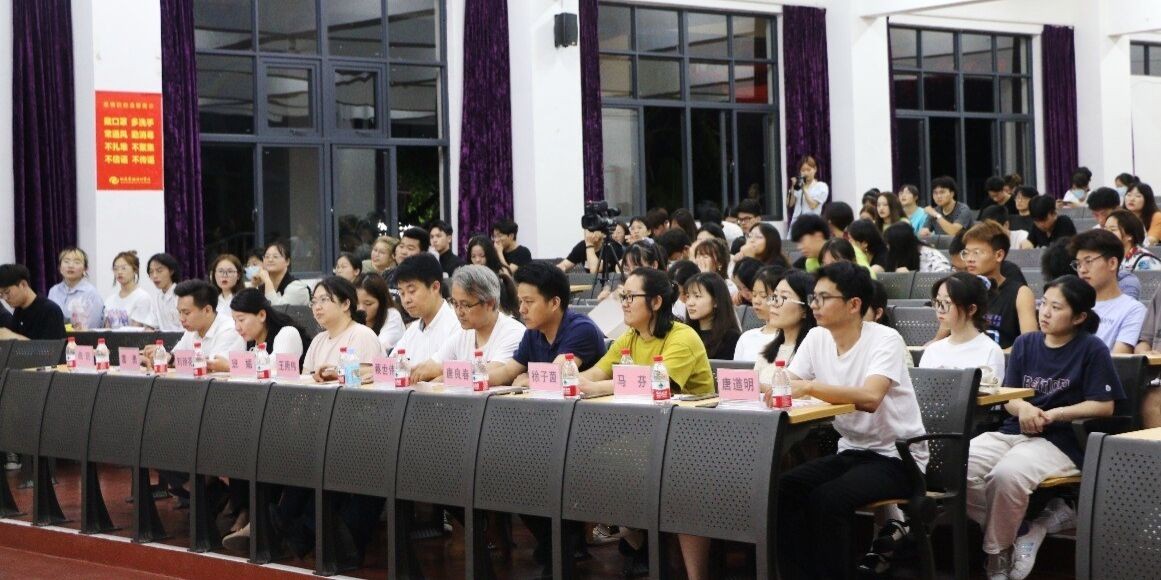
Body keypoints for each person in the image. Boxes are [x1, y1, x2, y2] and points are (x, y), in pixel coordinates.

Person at [774, 261, 927, 580]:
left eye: (824, 298)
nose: (814, 305)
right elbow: (786, 382)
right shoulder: (816, 337)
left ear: (854, 304)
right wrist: (757, 386)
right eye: (813, 297)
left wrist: (810, 387)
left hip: (898, 457)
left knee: (829, 498)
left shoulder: (885, 339)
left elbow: (870, 398)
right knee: (785, 488)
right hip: (852, 451)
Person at [966, 276, 1123, 580]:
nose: (1045, 313)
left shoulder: (1092, 348)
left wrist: (1054, 414)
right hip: (1014, 430)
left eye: (1056, 307)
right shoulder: (1026, 343)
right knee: (957, 464)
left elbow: (1104, 405)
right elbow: (1010, 396)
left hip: (1060, 439)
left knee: (1006, 475)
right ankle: (1024, 529)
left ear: (1079, 317)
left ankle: (996, 554)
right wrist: (1023, 408)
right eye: (1044, 304)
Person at [580, 267, 714, 392]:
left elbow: (656, 382)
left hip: (687, 410)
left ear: (656, 302)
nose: (624, 304)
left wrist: (595, 387)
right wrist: (573, 380)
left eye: (630, 297)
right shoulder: (629, 336)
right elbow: (596, 373)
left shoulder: (684, 338)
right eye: (623, 297)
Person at [488, 261, 608, 387]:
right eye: (520, 301)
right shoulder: (533, 332)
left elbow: (555, 376)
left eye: (529, 302)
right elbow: (507, 372)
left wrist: (527, 381)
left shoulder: (582, 329)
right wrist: (478, 379)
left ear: (554, 303)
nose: (522, 309)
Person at [408, 266, 527, 382]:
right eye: (455, 303)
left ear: (490, 303)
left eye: (465, 305)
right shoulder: (462, 334)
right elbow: (433, 365)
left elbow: (490, 373)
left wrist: (443, 376)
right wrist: (412, 372)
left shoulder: (513, 332)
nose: (459, 312)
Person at [961, 221, 1038, 348]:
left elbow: (1029, 344)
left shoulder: (1020, 293)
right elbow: (943, 338)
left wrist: (996, 355)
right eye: (966, 252)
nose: (969, 259)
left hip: (1003, 358)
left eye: (976, 252)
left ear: (999, 255)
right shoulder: (961, 289)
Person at [1068, 229, 1146, 353]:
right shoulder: (1071, 305)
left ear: (1112, 263)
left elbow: (1119, 359)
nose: (1082, 270)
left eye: (1088, 261)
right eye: (1078, 264)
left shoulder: (1133, 310)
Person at [144, 280, 246, 373]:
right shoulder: (192, 329)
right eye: (179, 312)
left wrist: (171, 359)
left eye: (186, 313)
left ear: (207, 310)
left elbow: (212, 366)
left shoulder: (229, 329)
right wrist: (161, 356)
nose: (181, 318)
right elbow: (175, 356)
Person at [919, 273, 1006, 380]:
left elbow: (990, 389)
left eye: (947, 302)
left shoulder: (991, 351)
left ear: (971, 309)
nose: (940, 309)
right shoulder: (932, 350)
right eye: (938, 301)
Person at [301, 276, 384, 381]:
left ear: (345, 304)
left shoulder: (361, 334)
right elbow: (305, 379)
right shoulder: (318, 340)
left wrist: (338, 372)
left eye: (324, 300)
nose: (317, 307)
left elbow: (371, 375)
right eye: (314, 302)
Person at [391, 254, 461, 364]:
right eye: (402, 293)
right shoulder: (412, 331)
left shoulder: (457, 327)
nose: (406, 300)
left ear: (435, 287)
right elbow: (390, 365)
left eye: (412, 291)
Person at [755, 270, 816, 385]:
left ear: (805, 309)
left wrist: (760, 387)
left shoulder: (812, 352)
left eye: (783, 297)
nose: (773, 303)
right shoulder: (767, 351)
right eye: (774, 296)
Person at [681, 272, 741, 360]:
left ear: (716, 301)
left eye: (697, 296)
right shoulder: (684, 334)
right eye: (688, 296)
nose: (689, 303)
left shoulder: (731, 338)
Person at [0, 263, 66, 340]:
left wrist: (13, 337)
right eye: (1, 295)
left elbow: (51, 347)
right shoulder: (18, 310)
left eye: (7, 292)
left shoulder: (50, 310)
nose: (5, 298)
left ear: (23, 284)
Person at [734, 267, 785, 361]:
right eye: (754, 295)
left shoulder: (789, 339)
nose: (756, 301)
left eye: (763, 296)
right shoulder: (746, 338)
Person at [47, 247, 104, 330]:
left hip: (82, 337)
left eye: (77, 262)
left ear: (85, 269)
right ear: (60, 268)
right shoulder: (54, 291)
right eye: (66, 261)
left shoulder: (91, 293)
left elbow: (93, 327)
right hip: (56, 337)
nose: (70, 266)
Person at [466, 235, 520, 316]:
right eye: (473, 256)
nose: (477, 260)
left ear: (489, 255)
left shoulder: (500, 274)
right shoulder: (469, 277)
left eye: (482, 256)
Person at [104, 251, 157, 329]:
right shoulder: (109, 300)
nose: (119, 272)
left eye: (124, 268)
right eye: (116, 269)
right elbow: (107, 328)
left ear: (135, 270)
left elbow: (134, 330)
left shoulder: (142, 297)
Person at [354, 273, 406, 353]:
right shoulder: (349, 316)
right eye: (356, 303)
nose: (361, 309)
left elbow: (379, 349)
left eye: (368, 303)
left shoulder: (392, 316)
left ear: (382, 302)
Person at [252, 242, 311, 306]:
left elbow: (277, 309)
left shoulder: (297, 287)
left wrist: (267, 281)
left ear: (287, 261)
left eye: (275, 257)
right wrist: (253, 286)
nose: (270, 260)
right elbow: (248, 308)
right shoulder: (261, 287)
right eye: (267, 257)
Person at [882, 223, 952, 273]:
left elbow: (942, 280)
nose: (887, 247)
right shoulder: (896, 256)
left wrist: (910, 277)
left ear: (899, 245)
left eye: (889, 244)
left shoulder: (933, 257)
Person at [557, 226, 624, 278]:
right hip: (591, 285)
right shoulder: (582, 246)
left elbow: (595, 270)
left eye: (592, 230)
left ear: (603, 233)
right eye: (587, 230)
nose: (588, 234)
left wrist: (589, 244)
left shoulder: (612, 246)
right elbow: (565, 264)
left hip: (611, 284)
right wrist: (558, 270)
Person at [786, 155, 829, 226]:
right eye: (803, 170)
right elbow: (789, 204)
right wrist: (792, 187)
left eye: (808, 170)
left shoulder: (821, 186)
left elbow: (813, 205)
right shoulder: (799, 186)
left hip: (811, 224)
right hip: (796, 224)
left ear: (815, 169)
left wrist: (804, 188)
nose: (806, 173)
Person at [147, 253, 183, 332]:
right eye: (151, 272)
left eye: (159, 271)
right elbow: (153, 324)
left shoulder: (181, 295)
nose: (154, 276)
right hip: (164, 338)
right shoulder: (157, 298)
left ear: (171, 271)